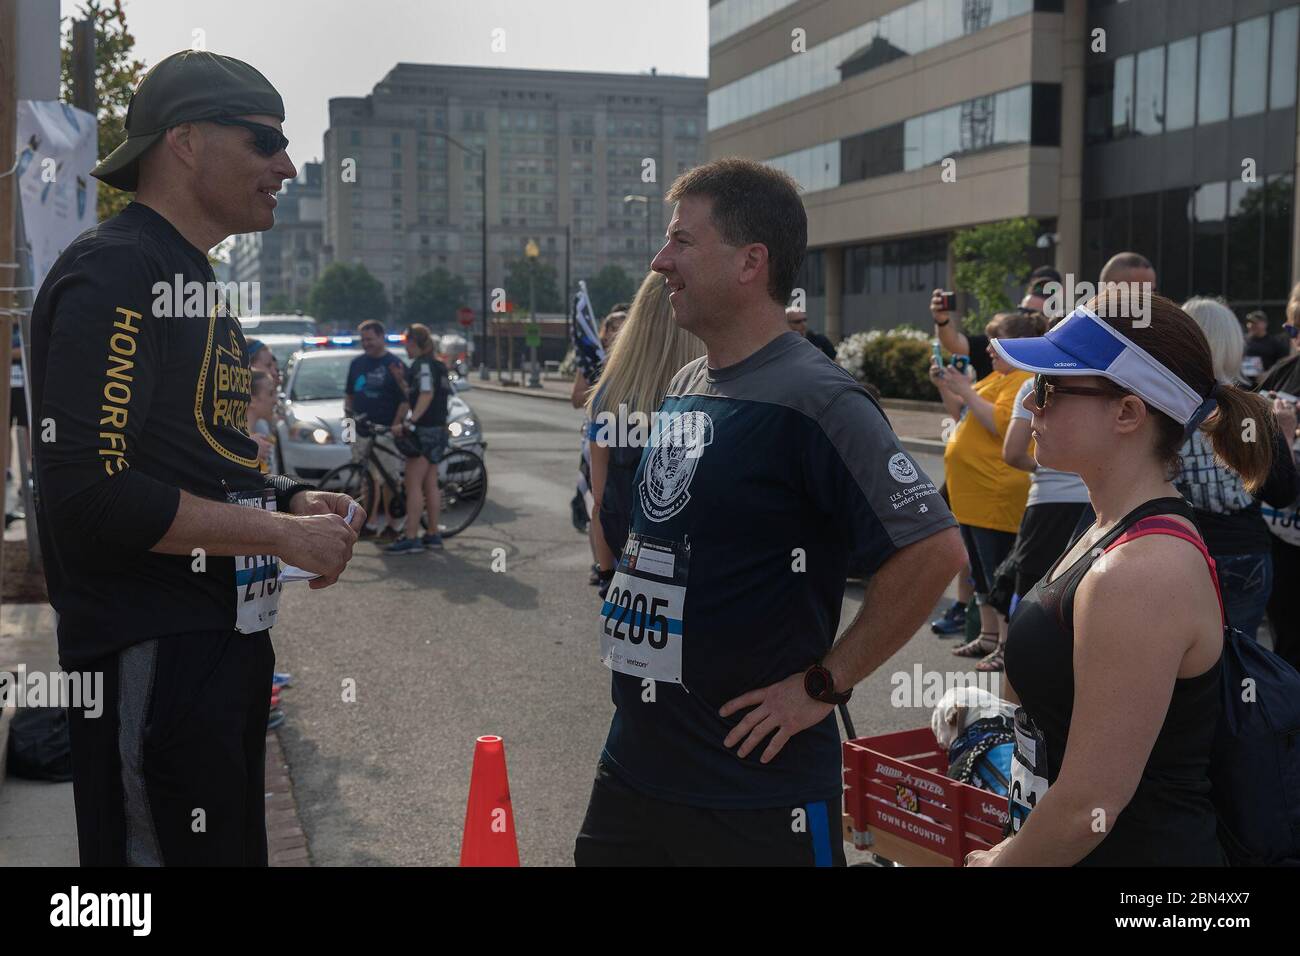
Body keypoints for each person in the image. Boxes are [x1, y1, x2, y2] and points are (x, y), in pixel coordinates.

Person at [574, 158, 965, 867]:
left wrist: (824, 684)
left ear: (752, 261)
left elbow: (935, 550)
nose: (661, 261)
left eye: (682, 242)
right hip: (637, 768)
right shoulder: (690, 380)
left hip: (755, 798)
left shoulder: (822, 399)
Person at [30, 50, 364, 867]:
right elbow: (89, 497)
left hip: (216, 648)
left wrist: (285, 497)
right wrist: (280, 540)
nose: (285, 166)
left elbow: (207, 454)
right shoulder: (119, 270)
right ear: (183, 141)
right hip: (153, 656)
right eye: (262, 141)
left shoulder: (189, 275)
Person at [966, 293, 1274, 866]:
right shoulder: (1108, 526)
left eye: (1053, 387)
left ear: (1128, 413)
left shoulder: (1141, 569)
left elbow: (1090, 806)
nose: (1030, 398)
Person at [1171, 298, 1299, 641]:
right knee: (1239, 665)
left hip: (1180, 547)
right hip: (1245, 552)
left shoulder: (1162, 404)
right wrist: (1283, 437)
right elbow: (1282, 491)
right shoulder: (1253, 408)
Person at [930, 311, 1042, 672]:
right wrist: (948, 387)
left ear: (1017, 346)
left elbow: (1000, 424)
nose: (989, 348)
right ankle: (990, 637)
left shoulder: (1024, 378)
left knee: (998, 573)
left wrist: (964, 389)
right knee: (980, 572)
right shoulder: (1000, 377)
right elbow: (964, 414)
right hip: (973, 497)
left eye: (997, 341)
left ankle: (1008, 646)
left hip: (996, 495)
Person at [585, 271, 705, 593]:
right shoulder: (705, 393)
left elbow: (600, 500)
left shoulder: (607, 394)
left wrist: (607, 573)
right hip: (694, 566)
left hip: (628, 560)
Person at [1000, 319, 1090, 614]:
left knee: (1031, 602)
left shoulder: (1030, 383)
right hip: (1091, 506)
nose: (1030, 401)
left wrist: (1041, 470)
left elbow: (1012, 453)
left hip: (1048, 505)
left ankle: (1006, 648)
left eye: (1045, 389)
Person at [387, 323, 453, 554]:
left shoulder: (423, 365)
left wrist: (410, 421)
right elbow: (424, 393)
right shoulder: (437, 365)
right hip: (439, 429)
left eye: (407, 343)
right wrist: (401, 381)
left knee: (413, 483)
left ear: (414, 343)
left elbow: (426, 394)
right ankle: (433, 533)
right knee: (430, 483)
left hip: (425, 431)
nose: (405, 348)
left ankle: (411, 536)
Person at [344, 319, 409, 537]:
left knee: (389, 479)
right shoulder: (356, 363)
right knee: (367, 480)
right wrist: (348, 427)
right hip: (361, 430)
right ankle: (369, 523)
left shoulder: (395, 364)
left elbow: (405, 399)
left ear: (382, 337)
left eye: (370, 339)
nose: (366, 343)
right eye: (363, 339)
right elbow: (349, 397)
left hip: (385, 431)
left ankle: (393, 524)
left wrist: (396, 424)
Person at [1241, 310, 1289, 385]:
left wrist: (1268, 373)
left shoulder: (1274, 342)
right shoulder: (1242, 341)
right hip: (1242, 385)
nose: (1251, 325)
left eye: (1255, 323)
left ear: (1265, 324)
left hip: (1264, 387)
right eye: (1249, 323)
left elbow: (1284, 361)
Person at [248, 369, 277, 473]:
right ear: (252, 400)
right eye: (270, 393)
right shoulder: (249, 445)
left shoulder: (258, 437)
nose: (275, 400)